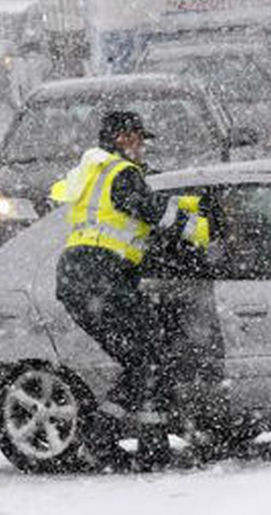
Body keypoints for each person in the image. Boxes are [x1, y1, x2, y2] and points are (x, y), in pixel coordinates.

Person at [49, 110, 206, 469]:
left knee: (142, 360)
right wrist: (202, 231)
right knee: (146, 356)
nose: (142, 145)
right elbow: (151, 211)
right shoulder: (121, 173)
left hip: (82, 278)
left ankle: (143, 446)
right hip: (100, 277)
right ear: (122, 138)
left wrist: (193, 202)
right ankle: (103, 441)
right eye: (138, 138)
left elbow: (134, 209)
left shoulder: (99, 173)